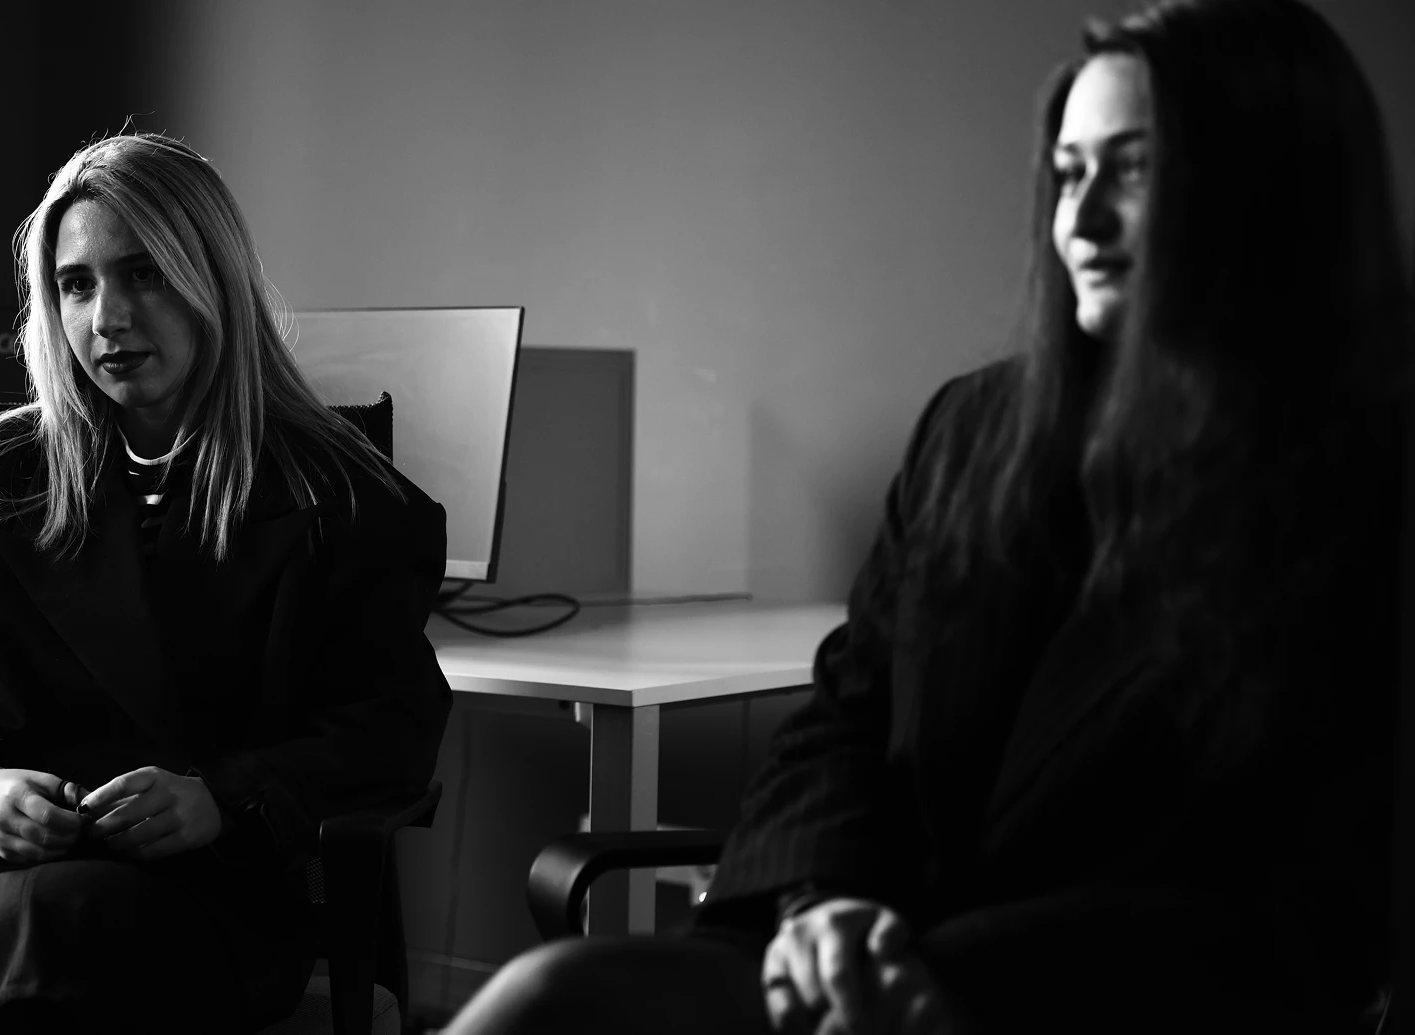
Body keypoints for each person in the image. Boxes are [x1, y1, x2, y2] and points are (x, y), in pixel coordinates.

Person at [444, 0, 1407, 1032]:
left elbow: (1312, 893)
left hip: (1087, 995)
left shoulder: (1366, 483)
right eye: (1069, 174)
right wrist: (822, 903)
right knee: (546, 997)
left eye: (1131, 170)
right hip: (845, 956)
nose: (1079, 224)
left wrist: (937, 976)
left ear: (1269, 188)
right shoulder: (974, 430)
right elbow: (844, 716)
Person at [0, 132, 451, 1034]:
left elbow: (391, 728)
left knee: (63, 929)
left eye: (144, 273)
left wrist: (219, 794)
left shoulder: (348, 500)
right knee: (32, 931)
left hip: (191, 891)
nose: (107, 317)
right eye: (77, 284)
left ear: (211, 282)